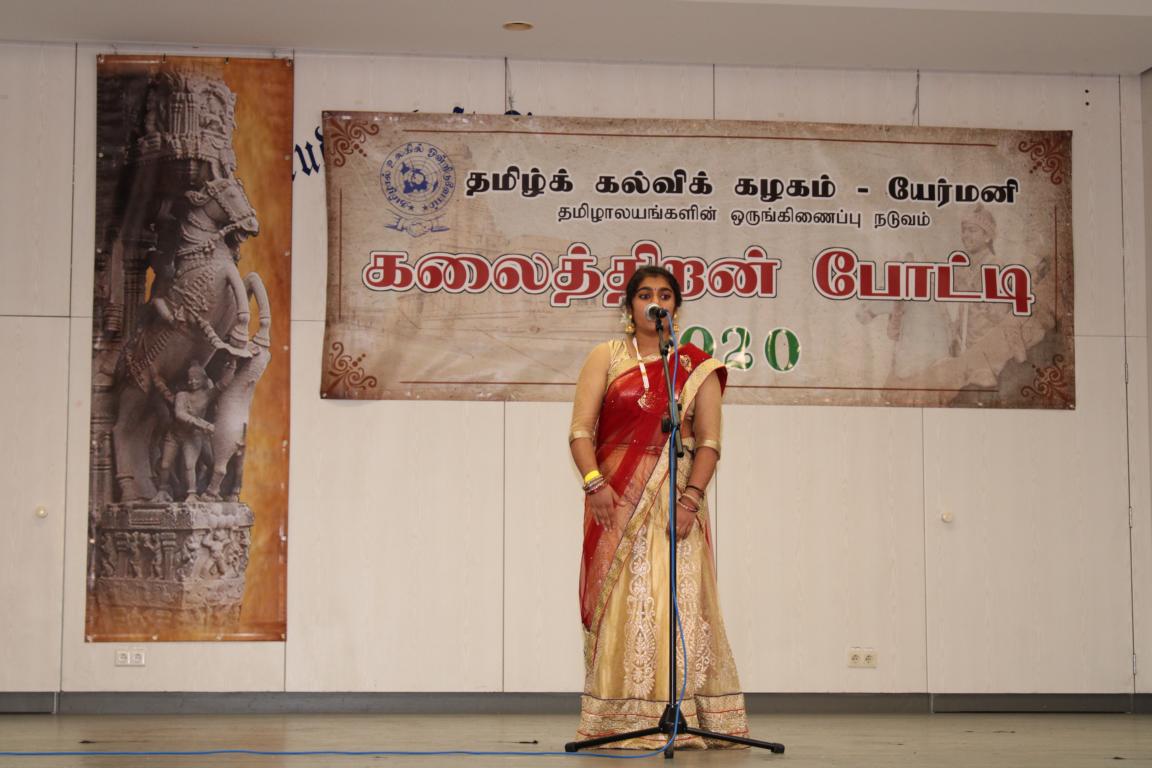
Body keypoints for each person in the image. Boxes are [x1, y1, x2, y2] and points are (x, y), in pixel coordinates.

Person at [568, 265, 749, 749]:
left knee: (678, 601)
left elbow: (709, 442)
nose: (656, 302)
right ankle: (621, 716)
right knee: (626, 602)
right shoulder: (606, 357)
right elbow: (581, 431)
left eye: (665, 295)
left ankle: (683, 712)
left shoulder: (695, 366)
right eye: (645, 294)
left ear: (675, 307)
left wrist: (691, 499)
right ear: (630, 306)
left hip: (677, 504)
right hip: (616, 502)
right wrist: (594, 483)